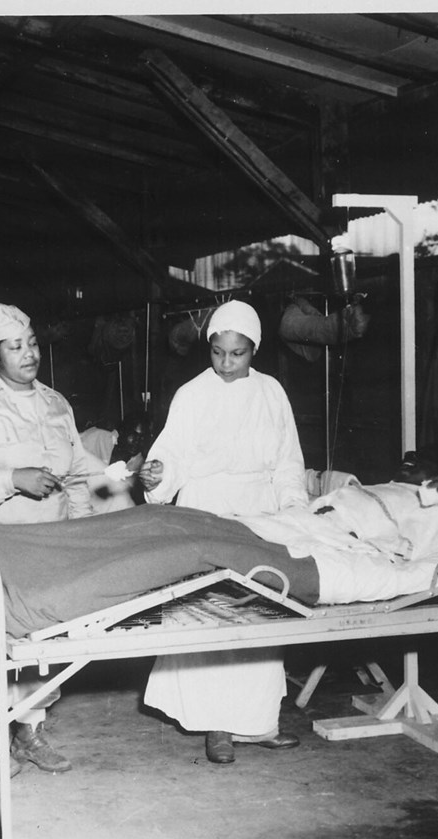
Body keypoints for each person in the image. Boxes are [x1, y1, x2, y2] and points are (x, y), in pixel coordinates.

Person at [138, 299, 307, 765]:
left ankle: (258, 723)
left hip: (258, 512)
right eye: (218, 353)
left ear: (255, 349)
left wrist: (293, 509)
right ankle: (217, 725)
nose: (227, 364)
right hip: (207, 510)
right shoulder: (192, 394)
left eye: (238, 354)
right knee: (212, 614)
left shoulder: (272, 392)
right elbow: (170, 453)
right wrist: (158, 476)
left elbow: (289, 459)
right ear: (208, 348)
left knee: (260, 613)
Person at [0, 302, 107, 777]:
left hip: (53, 544)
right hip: (1, 547)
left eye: (32, 342)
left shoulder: (57, 405)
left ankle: (30, 729)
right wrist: (14, 477)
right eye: (15, 347)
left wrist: (83, 527)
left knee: (50, 642)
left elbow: (78, 473)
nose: (29, 353)